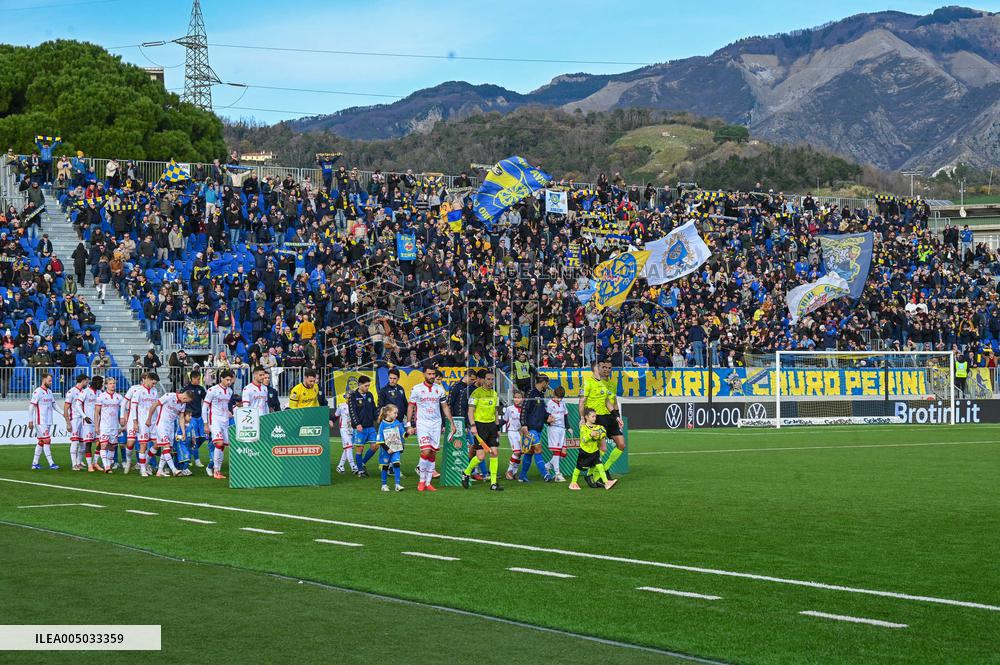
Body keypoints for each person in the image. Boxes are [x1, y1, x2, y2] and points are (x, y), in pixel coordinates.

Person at [407, 366, 455, 492]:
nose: (432, 376)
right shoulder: (417, 389)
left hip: (436, 424)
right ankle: (421, 481)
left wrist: (452, 423)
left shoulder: (440, 389)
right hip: (422, 423)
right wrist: (408, 424)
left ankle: (428, 482)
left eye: (433, 374)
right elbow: (411, 406)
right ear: (424, 374)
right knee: (426, 451)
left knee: (433, 453)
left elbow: (445, 407)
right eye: (429, 374)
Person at [580, 359, 625, 477]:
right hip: (599, 417)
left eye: (609, 368)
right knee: (602, 448)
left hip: (611, 417)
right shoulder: (592, 382)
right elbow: (582, 401)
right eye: (604, 367)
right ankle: (594, 474)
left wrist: (618, 417)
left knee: (621, 445)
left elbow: (614, 402)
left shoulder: (612, 384)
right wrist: (584, 418)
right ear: (598, 368)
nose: (606, 370)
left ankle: (605, 468)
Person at [461, 369, 503, 491]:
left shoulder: (495, 394)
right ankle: (466, 472)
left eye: (492, 379)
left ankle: (493, 483)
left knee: (494, 453)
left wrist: (498, 427)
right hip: (480, 426)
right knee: (480, 457)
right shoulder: (476, 393)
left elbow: (497, 411)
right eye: (488, 379)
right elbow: (470, 411)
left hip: (492, 427)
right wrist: (473, 426)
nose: (490, 382)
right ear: (483, 379)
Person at [145, 389, 195, 477]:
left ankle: (159, 470)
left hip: (171, 427)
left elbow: (181, 418)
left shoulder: (183, 404)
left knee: (165, 448)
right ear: (185, 397)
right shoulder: (169, 396)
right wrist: (149, 418)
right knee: (166, 447)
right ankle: (174, 470)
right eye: (187, 400)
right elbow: (154, 405)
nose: (187, 402)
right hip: (162, 424)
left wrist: (183, 432)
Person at [569, 408, 617, 491]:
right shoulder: (583, 428)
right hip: (585, 452)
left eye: (595, 416)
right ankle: (573, 483)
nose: (595, 418)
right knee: (579, 468)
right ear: (586, 417)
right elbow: (583, 440)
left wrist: (601, 434)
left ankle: (606, 482)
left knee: (600, 466)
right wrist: (590, 435)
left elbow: (601, 435)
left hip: (595, 451)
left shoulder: (598, 427)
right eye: (593, 416)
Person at [122, 372, 160, 476]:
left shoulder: (154, 391)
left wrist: (158, 420)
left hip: (152, 422)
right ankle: (137, 466)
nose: (153, 385)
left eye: (155, 383)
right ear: (147, 379)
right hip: (142, 422)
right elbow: (133, 408)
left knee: (157, 444)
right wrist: (135, 423)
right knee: (139, 444)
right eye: (153, 383)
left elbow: (156, 406)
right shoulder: (137, 391)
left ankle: (145, 463)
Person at [519, 375, 554, 482]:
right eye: (547, 384)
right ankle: (546, 475)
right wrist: (524, 424)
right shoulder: (531, 393)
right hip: (531, 429)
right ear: (543, 382)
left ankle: (522, 476)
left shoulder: (541, 395)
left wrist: (547, 418)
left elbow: (541, 412)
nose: (547, 386)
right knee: (538, 450)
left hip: (538, 429)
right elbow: (524, 409)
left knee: (529, 454)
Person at [204, 369, 235, 480]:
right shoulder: (213, 390)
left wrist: (228, 412)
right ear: (221, 378)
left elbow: (224, 405)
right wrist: (206, 424)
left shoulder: (230, 391)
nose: (229, 382)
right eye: (227, 380)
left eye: (230, 380)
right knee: (219, 443)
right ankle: (216, 471)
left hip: (225, 421)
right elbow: (205, 407)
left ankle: (217, 470)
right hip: (215, 420)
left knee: (223, 446)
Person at [93, 376, 124, 474]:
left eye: (114, 383)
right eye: (110, 383)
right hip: (104, 426)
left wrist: (123, 423)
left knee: (112, 447)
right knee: (103, 444)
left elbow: (124, 409)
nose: (113, 385)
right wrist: (96, 426)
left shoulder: (119, 397)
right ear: (106, 385)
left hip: (114, 426)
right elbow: (96, 412)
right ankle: (106, 466)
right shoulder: (101, 397)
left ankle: (108, 464)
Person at [348, 375, 378, 477]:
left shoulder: (370, 395)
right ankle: (360, 470)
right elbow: (352, 411)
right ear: (360, 385)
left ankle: (362, 463)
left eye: (368, 385)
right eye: (366, 386)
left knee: (375, 446)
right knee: (360, 449)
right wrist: (357, 424)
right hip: (360, 427)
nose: (367, 388)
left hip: (370, 426)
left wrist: (377, 417)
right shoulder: (353, 396)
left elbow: (373, 408)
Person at [28, 372, 58, 470]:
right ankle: (51, 463)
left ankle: (34, 463)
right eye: (49, 380)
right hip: (40, 421)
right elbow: (31, 407)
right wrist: (30, 420)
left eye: (51, 380)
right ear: (44, 379)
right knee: (47, 440)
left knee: (41, 441)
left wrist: (63, 413)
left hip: (48, 420)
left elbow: (54, 404)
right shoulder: (37, 392)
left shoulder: (49, 392)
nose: (51, 382)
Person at [74, 375, 103, 472]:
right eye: (100, 383)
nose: (102, 385)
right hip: (88, 422)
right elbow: (77, 405)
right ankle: (89, 465)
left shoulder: (100, 393)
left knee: (100, 442)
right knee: (89, 443)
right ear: (95, 383)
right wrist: (84, 416)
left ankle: (95, 462)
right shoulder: (85, 392)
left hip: (98, 421)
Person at [376, 404, 406, 492]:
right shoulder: (382, 424)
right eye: (395, 413)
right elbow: (379, 439)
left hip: (396, 449)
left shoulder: (397, 422)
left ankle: (397, 485)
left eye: (397, 413)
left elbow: (403, 433)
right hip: (385, 450)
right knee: (385, 467)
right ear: (388, 413)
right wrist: (387, 449)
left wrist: (409, 432)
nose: (396, 415)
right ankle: (384, 485)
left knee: (397, 464)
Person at [181, 370, 207, 468]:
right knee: (194, 439)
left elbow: (206, 400)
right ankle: (196, 460)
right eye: (197, 379)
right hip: (190, 418)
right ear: (192, 378)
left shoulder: (201, 389)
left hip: (200, 417)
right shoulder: (186, 389)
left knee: (203, 437)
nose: (198, 380)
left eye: (199, 379)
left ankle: (190, 452)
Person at [63, 372, 89, 470]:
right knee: (75, 442)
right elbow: (66, 408)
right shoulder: (71, 392)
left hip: (83, 420)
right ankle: (74, 464)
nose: (87, 382)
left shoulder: (85, 391)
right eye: (87, 380)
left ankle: (79, 462)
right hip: (75, 419)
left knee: (83, 443)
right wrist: (68, 422)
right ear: (83, 380)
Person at [545, 385, 569, 482]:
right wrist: (549, 421)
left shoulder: (563, 403)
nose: (559, 399)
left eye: (561, 398)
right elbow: (546, 416)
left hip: (562, 429)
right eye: (557, 397)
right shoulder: (550, 404)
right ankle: (557, 474)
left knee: (563, 453)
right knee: (557, 451)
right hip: (554, 429)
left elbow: (565, 415)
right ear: (554, 394)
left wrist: (568, 427)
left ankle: (547, 465)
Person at [503, 390, 524, 481]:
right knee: (516, 452)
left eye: (519, 398)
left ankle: (514, 472)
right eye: (515, 397)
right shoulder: (509, 408)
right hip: (512, 432)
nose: (516, 399)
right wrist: (496, 428)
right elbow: (504, 420)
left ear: (522, 399)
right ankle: (509, 471)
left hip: (521, 433)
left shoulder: (524, 409)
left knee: (520, 454)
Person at [334, 394, 357, 474]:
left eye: (350, 398)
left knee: (348, 448)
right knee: (349, 446)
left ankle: (340, 466)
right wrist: (331, 420)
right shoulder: (341, 406)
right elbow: (336, 416)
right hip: (344, 429)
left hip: (352, 429)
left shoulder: (356, 406)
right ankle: (353, 466)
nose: (348, 399)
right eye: (347, 398)